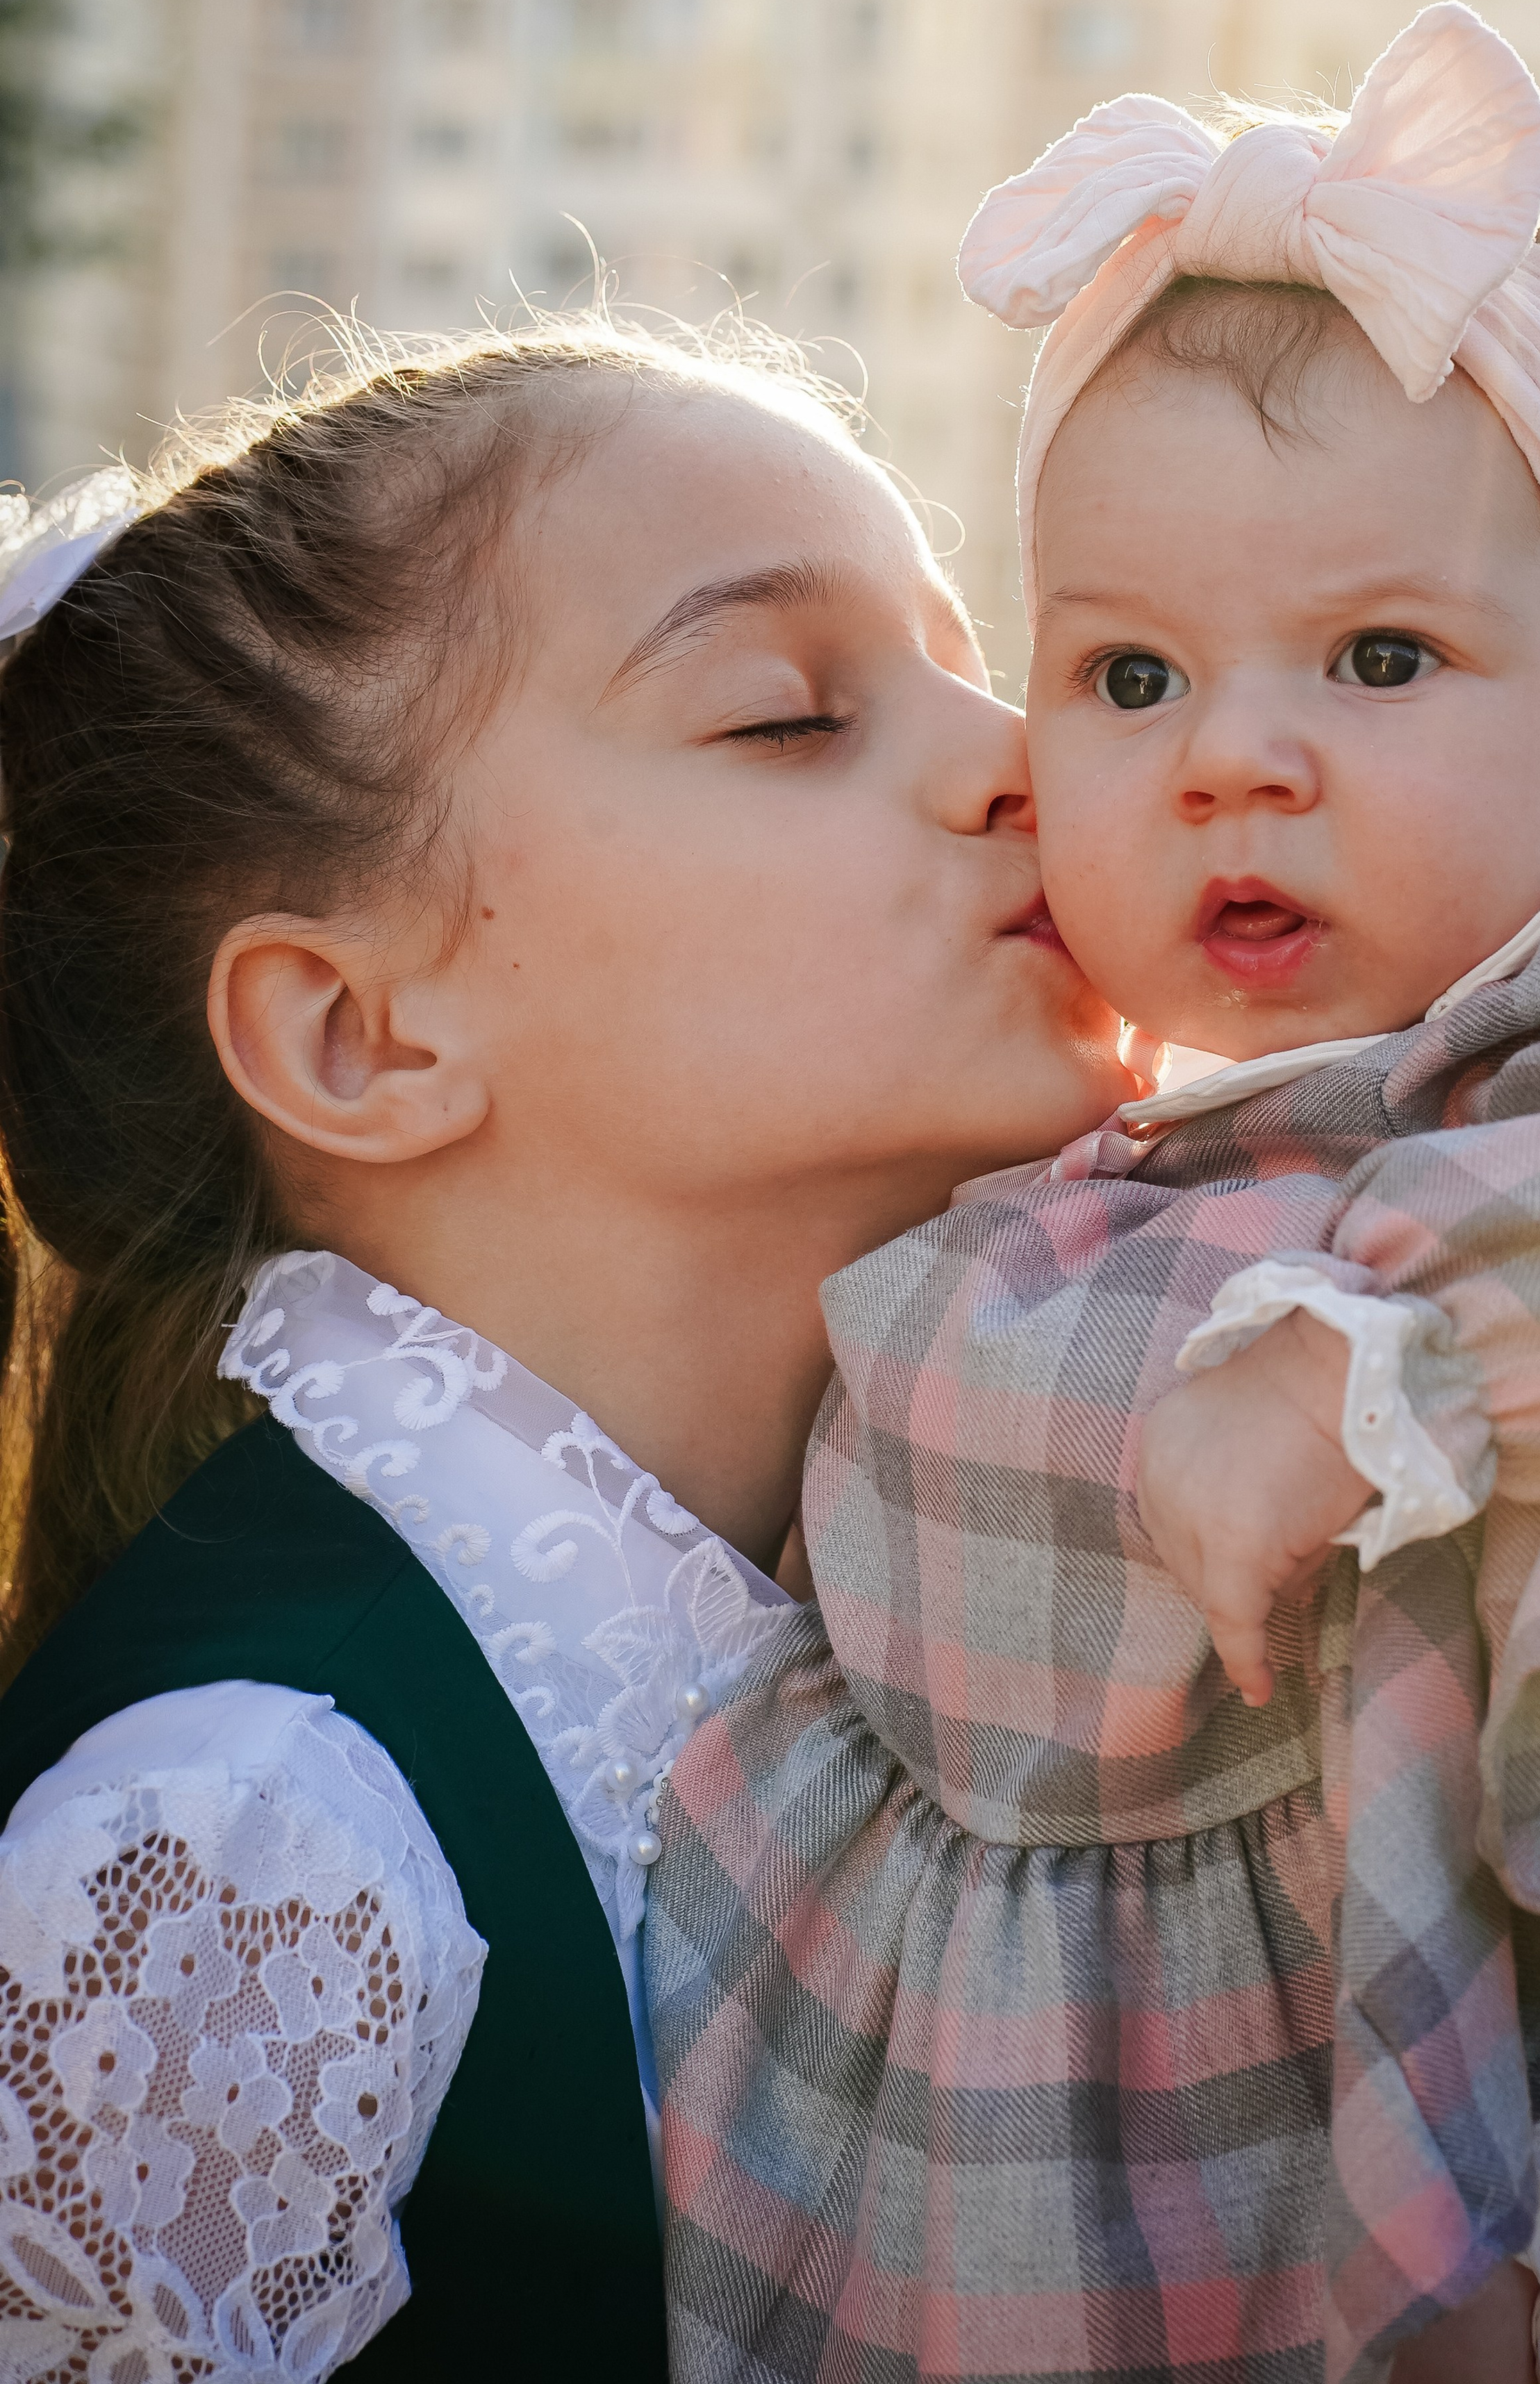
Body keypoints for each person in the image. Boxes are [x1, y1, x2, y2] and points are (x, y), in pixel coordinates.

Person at [645, 5, 1540, 2384]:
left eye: (1380, 656)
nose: (1234, 760)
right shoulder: (1104, 1138)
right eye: (1131, 677)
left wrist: (1394, 1354)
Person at [0, 316, 1133, 2376]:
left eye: (981, 667)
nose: (1027, 758)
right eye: (790, 716)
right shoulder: (242, 1836)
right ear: (362, 1035)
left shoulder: (996, 1602)